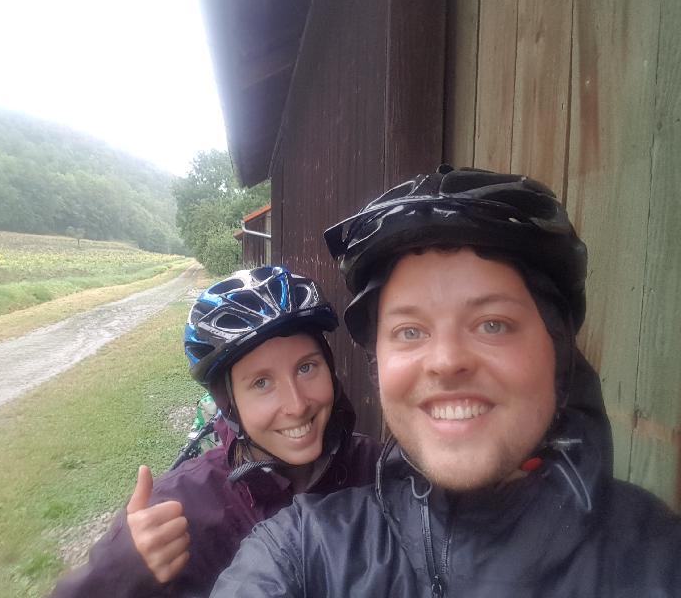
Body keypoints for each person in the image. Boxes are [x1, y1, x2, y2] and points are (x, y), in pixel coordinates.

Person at [211, 166, 681, 596]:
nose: (446, 361)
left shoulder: (658, 560)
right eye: (409, 331)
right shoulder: (301, 551)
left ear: (558, 352)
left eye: (492, 324)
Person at [51, 266, 380, 597]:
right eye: (261, 383)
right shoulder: (180, 509)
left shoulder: (379, 470)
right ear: (228, 403)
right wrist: (120, 573)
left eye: (307, 367)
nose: (296, 405)